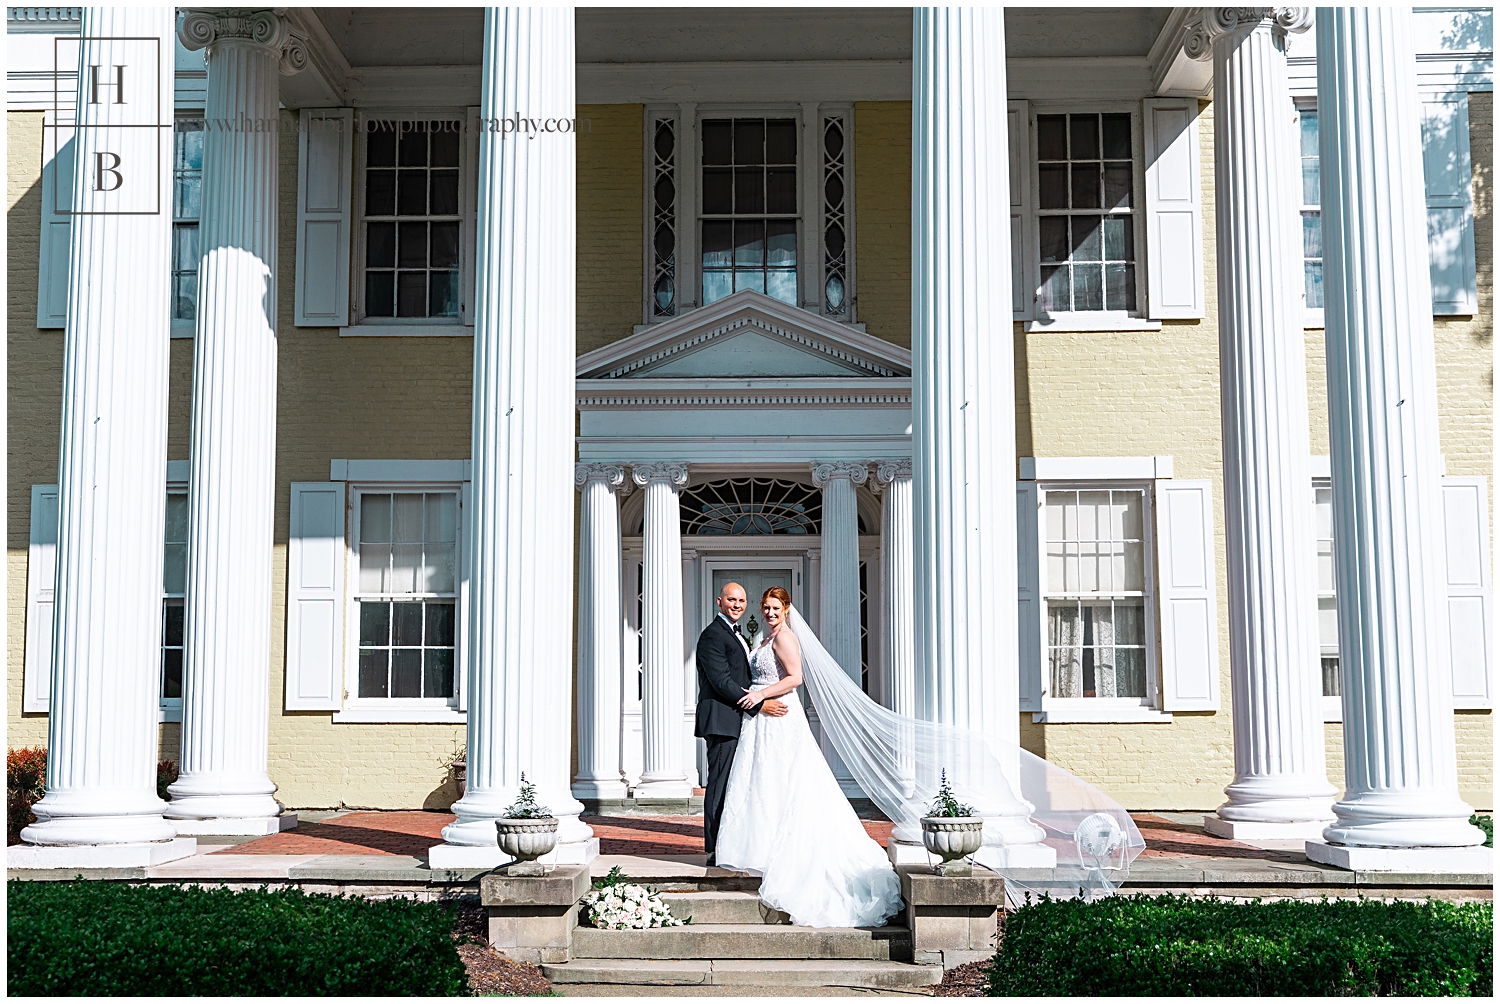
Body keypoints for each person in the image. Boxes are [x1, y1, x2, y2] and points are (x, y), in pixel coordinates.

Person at [714, 587, 903, 929]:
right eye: (766, 607)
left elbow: (795, 678)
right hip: (761, 720)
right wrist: (758, 699)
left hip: (781, 719)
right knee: (763, 783)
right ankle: (764, 849)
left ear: (786, 609)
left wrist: (759, 694)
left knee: (784, 781)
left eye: (775, 607)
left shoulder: (784, 638)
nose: (770, 612)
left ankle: (783, 853)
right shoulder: (766, 637)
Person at [694, 581, 787, 866]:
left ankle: (730, 842)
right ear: (719, 602)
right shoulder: (712, 636)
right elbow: (721, 682)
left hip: (737, 720)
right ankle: (713, 848)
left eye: (742, 601)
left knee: (733, 784)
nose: (737, 605)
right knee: (719, 784)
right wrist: (760, 704)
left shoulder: (736, 635)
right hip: (722, 720)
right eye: (731, 600)